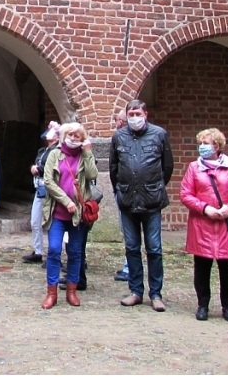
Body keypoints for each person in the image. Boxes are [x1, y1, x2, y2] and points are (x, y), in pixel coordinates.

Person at [179, 128, 228, 322]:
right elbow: (186, 194)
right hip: (202, 224)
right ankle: (202, 305)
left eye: (206, 143)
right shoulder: (194, 168)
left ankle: (227, 306)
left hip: (226, 225)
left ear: (217, 146)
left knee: (227, 268)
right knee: (202, 268)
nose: (201, 147)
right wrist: (204, 208)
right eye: (201, 143)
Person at [110, 99, 174, 312]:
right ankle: (135, 290)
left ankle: (156, 293)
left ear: (145, 113)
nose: (134, 117)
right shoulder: (119, 136)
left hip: (151, 201)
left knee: (154, 248)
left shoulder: (159, 134)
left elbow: (167, 166)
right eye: (131, 114)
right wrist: (121, 189)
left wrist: (154, 186)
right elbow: (113, 168)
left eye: (138, 113)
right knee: (132, 247)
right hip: (128, 200)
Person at [40, 122, 98, 309]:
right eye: (70, 135)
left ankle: (72, 291)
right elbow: (48, 181)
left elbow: (91, 175)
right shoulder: (55, 154)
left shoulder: (83, 155)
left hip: (78, 215)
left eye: (77, 136)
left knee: (75, 252)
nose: (73, 138)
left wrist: (88, 152)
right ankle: (52, 292)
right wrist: (66, 201)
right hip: (57, 212)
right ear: (64, 135)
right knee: (55, 250)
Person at [23, 121, 59, 264]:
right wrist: (34, 168)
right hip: (39, 188)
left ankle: (53, 253)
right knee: (35, 221)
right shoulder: (42, 151)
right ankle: (38, 251)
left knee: (51, 222)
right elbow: (38, 163)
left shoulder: (57, 150)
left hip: (50, 189)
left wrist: (40, 169)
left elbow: (53, 167)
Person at [111, 110, 130, 282]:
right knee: (126, 231)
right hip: (121, 189)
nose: (116, 123)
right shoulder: (118, 138)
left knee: (130, 231)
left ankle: (129, 267)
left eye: (117, 120)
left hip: (130, 191)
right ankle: (128, 265)